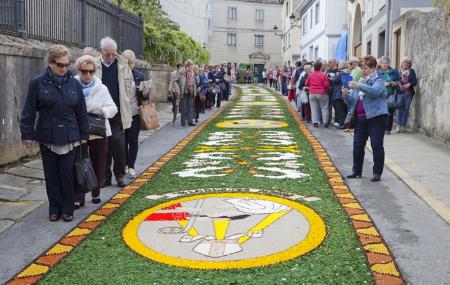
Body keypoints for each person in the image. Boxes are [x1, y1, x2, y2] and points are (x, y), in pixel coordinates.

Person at [20, 45, 89, 222]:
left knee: (66, 173)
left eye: (67, 65)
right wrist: (27, 134)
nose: (64, 68)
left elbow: (81, 111)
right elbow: (28, 111)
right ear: (50, 63)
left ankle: (67, 209)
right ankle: (54, 208)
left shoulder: (74, 83)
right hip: (47, 135)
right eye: (60, 65)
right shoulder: (37, 82)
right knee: (51, 175)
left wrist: (84, 135)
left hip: (70, 135)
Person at [74, 55, 118, 208]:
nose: (87, 75)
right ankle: (79, 197)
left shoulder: (102, 87)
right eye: (84, 71)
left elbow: (113, 108)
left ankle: (96, 191)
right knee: (79, 163)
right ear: (78, 70)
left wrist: (103, 110)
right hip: (78, 132)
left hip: (98, 132)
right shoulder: (72, 85)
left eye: (91, 71)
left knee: (99, 163)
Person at [95, 37, 133, 188]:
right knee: (103, 148)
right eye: (106, 54)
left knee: (118, 145)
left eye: (112, 53)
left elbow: (128, 90)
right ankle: (105, 177)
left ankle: (120, 175)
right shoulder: (95, 65)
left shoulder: (123, 66)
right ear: (101, 51)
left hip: (118, 112)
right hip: (100, 113)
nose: (110, 57)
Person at [344, 55, 388, 182]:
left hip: (376, 117)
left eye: (366, 68)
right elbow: (352, 101)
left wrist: (358, 85)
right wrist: (345, 95)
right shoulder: (361, 81)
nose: (363, 71)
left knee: (376, 145)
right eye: (362, 68)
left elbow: (375, 92)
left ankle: (377, 173)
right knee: (357, 145)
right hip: (360, 118)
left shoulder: (378, 79)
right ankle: (356, 171)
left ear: (373, 68)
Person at [122, 50, 150, 178]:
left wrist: (145, 93)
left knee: (133, 141)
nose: (129, 65)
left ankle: (131, 165)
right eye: (126, 62)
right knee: (122, 142)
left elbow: (145, 99)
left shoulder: (138, 75)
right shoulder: (119, 75)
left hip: (135, 113)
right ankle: (124, 164)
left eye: (131, 62)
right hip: (121, 114)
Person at [379, 56, 400, 134]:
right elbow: (375, 83)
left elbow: (398, 81)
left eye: (386, 63)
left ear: (388, 64)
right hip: (381, 95)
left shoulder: (394, 71)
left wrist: (393, 83)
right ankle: (382, 128)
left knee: (389, 112)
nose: (384, 65)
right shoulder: (378, 73)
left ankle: (388, 129)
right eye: (382, 63)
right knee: (382, 112)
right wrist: (383, 84)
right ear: (380, 64)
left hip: (391, 94)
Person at [305, 61, 330, 127]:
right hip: (322, 93)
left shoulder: (310, 75)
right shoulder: (323, 74)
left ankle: (315, 122)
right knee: (324, 107)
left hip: (312, 93)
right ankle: (325, 122)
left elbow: (306, 84)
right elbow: (326, 85)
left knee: (313, 108)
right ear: (320, 67)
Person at [396, 56, 417, 133]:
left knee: (406, 109)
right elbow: (395, 80)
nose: (406, 64)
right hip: (400, 93)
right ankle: (398, 125)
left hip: (409, 93)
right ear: (402, 63)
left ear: (409, 64)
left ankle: (403, 125)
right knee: (399, 109)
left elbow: (415, 81)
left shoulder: (412, 71)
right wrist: (400, 84)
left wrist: (409, 84)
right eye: (404, 62)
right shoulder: (398, 71)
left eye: (407, 63)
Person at [177, 60, 197, 126]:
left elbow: (194, 82)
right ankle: (183, 122)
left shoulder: (192, 72)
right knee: (183, 107)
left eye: (192, 65)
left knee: (190, 106)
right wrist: (177, 90)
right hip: (183, 91)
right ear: (187, 66)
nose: (192, 67)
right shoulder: (181, 72)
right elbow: (175, 81)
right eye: (191, 65)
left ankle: (190, 121)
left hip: (190, 91)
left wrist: (194, 90)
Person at [332, 61, 350, 129]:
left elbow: (335, 81)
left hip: (339, 94)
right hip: (346, 92)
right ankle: (346, 124)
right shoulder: (349, 72)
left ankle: (343, 124)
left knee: (340, 110)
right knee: (345, 109)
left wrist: (332, 78)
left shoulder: (341, 73)